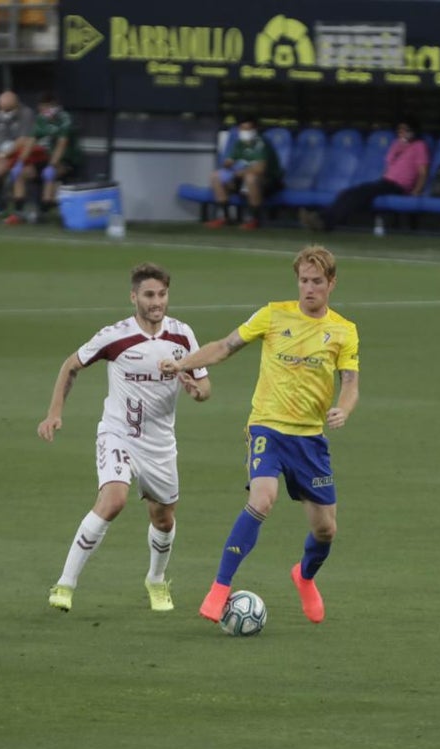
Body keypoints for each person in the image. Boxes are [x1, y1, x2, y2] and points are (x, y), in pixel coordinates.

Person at [158, 245, 360, 624]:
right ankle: (219, 589)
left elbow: (350, 383)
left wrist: (343, 409)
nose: (309, 288)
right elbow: (225, 347)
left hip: (310, 439)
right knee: (263, 499)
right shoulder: (272, 314)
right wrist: (182, 364)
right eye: (303, 281)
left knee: (325, 529)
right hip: (267, 426)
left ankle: (304, 576)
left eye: (317, 281)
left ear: (331, 283)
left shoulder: (343, 331)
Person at [37, 263, 211, 613]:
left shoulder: (182, 336)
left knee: (163, 518)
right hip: (118, 434)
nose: (156, 302)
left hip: (160, 444)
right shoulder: (115, 336)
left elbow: (205, 386)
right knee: (113, 500)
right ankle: (65, 584)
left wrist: (195, 389)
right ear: (134, 297)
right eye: (149, 295)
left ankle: (156, 581)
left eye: (161, 294)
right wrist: (55, 412)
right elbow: (71, 365)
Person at [300, 120, 428, 233]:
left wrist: (417, 190)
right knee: (348, 193)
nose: (401, 132)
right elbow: (388, 167)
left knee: (359, 193)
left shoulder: (419, 146)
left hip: (399, 185)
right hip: (385, 182)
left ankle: (324, 221)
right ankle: (321, 219)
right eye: (400, 129)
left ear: (412, 131)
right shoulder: (396, 145)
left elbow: (423, 172)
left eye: (404, 129)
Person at [4, 92, 83, 225]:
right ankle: (18, 213)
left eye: (45, 108)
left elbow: (61, 145)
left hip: (67, 159)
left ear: (54, 107)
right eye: (41, 108)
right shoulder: (41, 119)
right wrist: (20, 162)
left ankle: (43, 212)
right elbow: (31, 141)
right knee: (21, 173)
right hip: (48, 157)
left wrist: (52, 165)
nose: (43, 111)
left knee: (49, 174)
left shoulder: (65, 119)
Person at [203, 117, 283, 231]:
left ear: (255, 129)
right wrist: (228, 164)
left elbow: (260, 169)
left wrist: (241, 172)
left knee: (250, 177)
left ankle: (254, 220)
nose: (245, 132)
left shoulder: (261, 143)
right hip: (241, 179)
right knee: (216, 176)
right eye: (242, 129)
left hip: (269, 183)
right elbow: (230, 161)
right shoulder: (240, 143)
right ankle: (224, 217)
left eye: (248, 129)